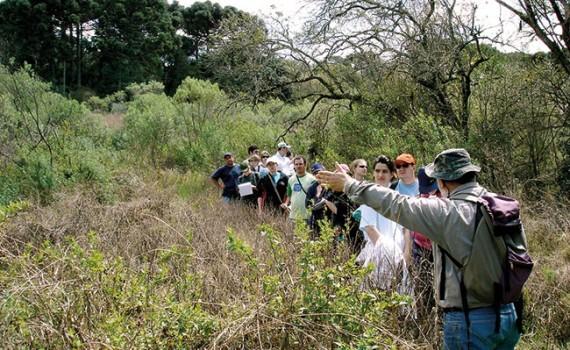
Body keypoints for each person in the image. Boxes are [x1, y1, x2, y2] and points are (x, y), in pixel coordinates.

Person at [317, 149, 521, 349]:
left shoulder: (447, 211)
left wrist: (350, 184)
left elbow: (397, 204)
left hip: (469, 321)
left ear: (442, 182)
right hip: (509, 316)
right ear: (472, 175)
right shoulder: (501, 207)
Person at [356, 155, 409, 292]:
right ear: (373, 173)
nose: (380, 175)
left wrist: (406, 254)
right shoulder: (368, 199)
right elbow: (371, 230)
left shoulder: (398, 198)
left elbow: (406, 229)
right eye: (377, 171)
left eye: (385, 171)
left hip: (400, 256)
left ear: (392, 175)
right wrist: (392, 258)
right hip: (379, 256)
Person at [281, 155, 316, 222]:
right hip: (293, 215)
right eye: (296, 164)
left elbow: (316, 196)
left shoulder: (312, 179)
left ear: (305, 165)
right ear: (294, 166)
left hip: (307, 215)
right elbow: (289, 194)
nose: (298, 166)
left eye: (300, 164)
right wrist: (286, 203)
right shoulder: (291, 179)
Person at [305, 163, 330, 238]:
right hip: (315, 220)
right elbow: (307, 205)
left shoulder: (331, 186)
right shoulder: (312, 188)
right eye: (315, 173)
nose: (317, 174)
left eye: (319, 172)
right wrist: (317, 195)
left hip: (329, 220)